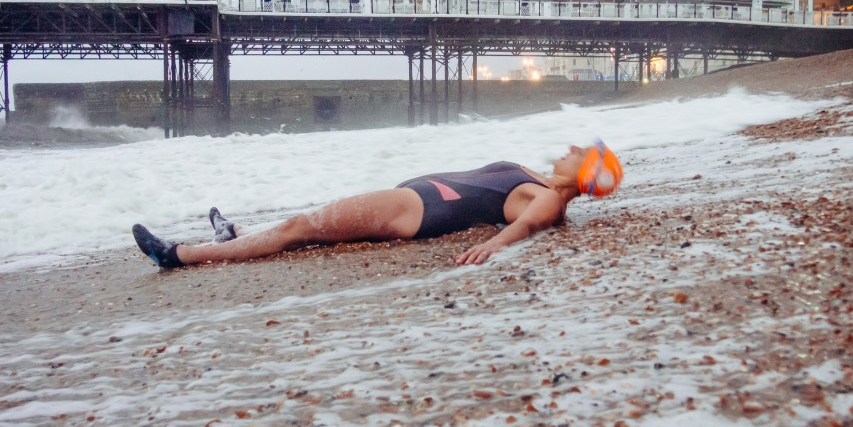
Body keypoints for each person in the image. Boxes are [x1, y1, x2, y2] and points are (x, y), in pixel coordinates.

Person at [132, 142, 622, 269]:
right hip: (416, 198)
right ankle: (233, 239)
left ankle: (177, 255)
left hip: (415, 210)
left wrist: (492, 246)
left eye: (581, 151)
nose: (572, 145)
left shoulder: (547, 199)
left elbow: (533, 224)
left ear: (584, 174)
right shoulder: (540, 182)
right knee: (304, 225)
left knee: (300, 226)